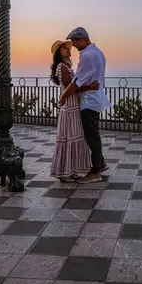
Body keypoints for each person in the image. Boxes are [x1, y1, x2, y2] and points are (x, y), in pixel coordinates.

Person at [59, 27, 110, 183]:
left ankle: (95, 171)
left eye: (74, 43)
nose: (73, 46)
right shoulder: (98, 53)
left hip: (89, 101)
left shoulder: (88, 55)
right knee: (93, 134)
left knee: (91, 136)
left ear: (81, 40)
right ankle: (100, 164)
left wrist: (63, 95)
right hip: (95, 99)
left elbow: (77, 81)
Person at [50, 39, 99, 182]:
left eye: (67, 47)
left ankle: (71, 170)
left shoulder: (66, 66)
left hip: (73, 107)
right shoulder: (61, 67)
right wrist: (89, 87)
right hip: (70, 108)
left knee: (72, 138)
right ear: (59, 52)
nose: (67, 49)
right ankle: (68, 172)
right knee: (71, 139)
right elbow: (70, 87)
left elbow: (73, 86)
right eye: (64, 48)